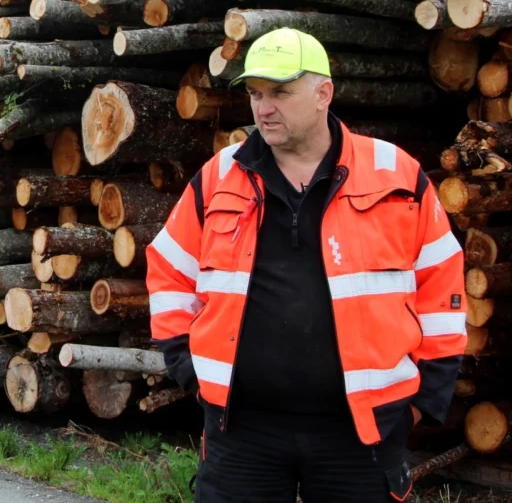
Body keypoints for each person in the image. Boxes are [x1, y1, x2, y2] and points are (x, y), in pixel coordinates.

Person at [145, 28, 466, 503]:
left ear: (323, 94)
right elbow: (169, 268)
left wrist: (422, 402)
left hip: (361, 433)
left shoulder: (394, 174)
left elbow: (443, 286)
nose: (263, 108)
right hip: (243, 431)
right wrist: (189, 368)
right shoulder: (220, 176)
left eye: (280, 92)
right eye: (255, 94)